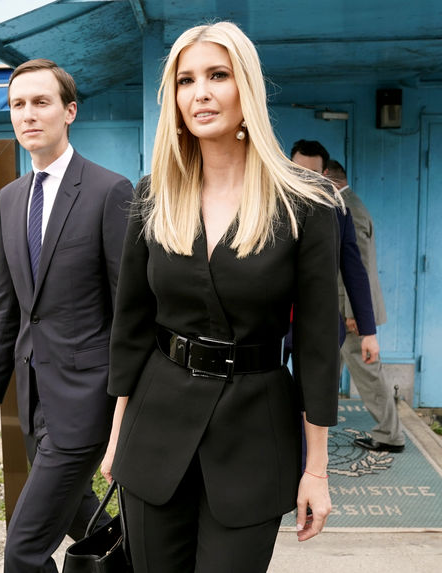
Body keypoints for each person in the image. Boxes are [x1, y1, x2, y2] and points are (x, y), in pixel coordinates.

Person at [100, 22, 340, 572]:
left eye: (217, 75)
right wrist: (117, 438)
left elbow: (317, 347)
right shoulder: (152, 196)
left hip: (255, 438)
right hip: (154, 433)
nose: (200, 92)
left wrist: (317, 469)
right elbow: (131, 329)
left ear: (246, 88)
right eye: (186, 81)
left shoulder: (306, 204)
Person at [0, 58, 134, 572]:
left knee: (22, 550)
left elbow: (130, 311)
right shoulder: (9, 198)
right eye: (18, 105)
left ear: (70, 111)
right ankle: (151, 552)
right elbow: (9, 309)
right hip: (33, 397)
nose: (27, 115)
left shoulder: (110, 191)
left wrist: (126, 417)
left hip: (88, 402)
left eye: (41, 102)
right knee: (83, 520)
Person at [326, 159, 405, 452]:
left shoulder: (348, 208)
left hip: (350, 315)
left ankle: (389, 435)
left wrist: (353, 313)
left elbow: (356, 267)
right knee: (327, 373)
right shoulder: (350, 204)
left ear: (327, 177)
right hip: (342, 312)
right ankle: (314, 428)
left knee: (369, 377)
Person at [290, 139, 377, 349]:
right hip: (271, 326)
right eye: (298, 171)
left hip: (321, 326)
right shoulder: (267, 208)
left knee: (318, 383)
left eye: (312, 173)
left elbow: (354, 270)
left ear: (324, 174)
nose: (304, 179)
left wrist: (368, 332)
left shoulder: (339, 214)